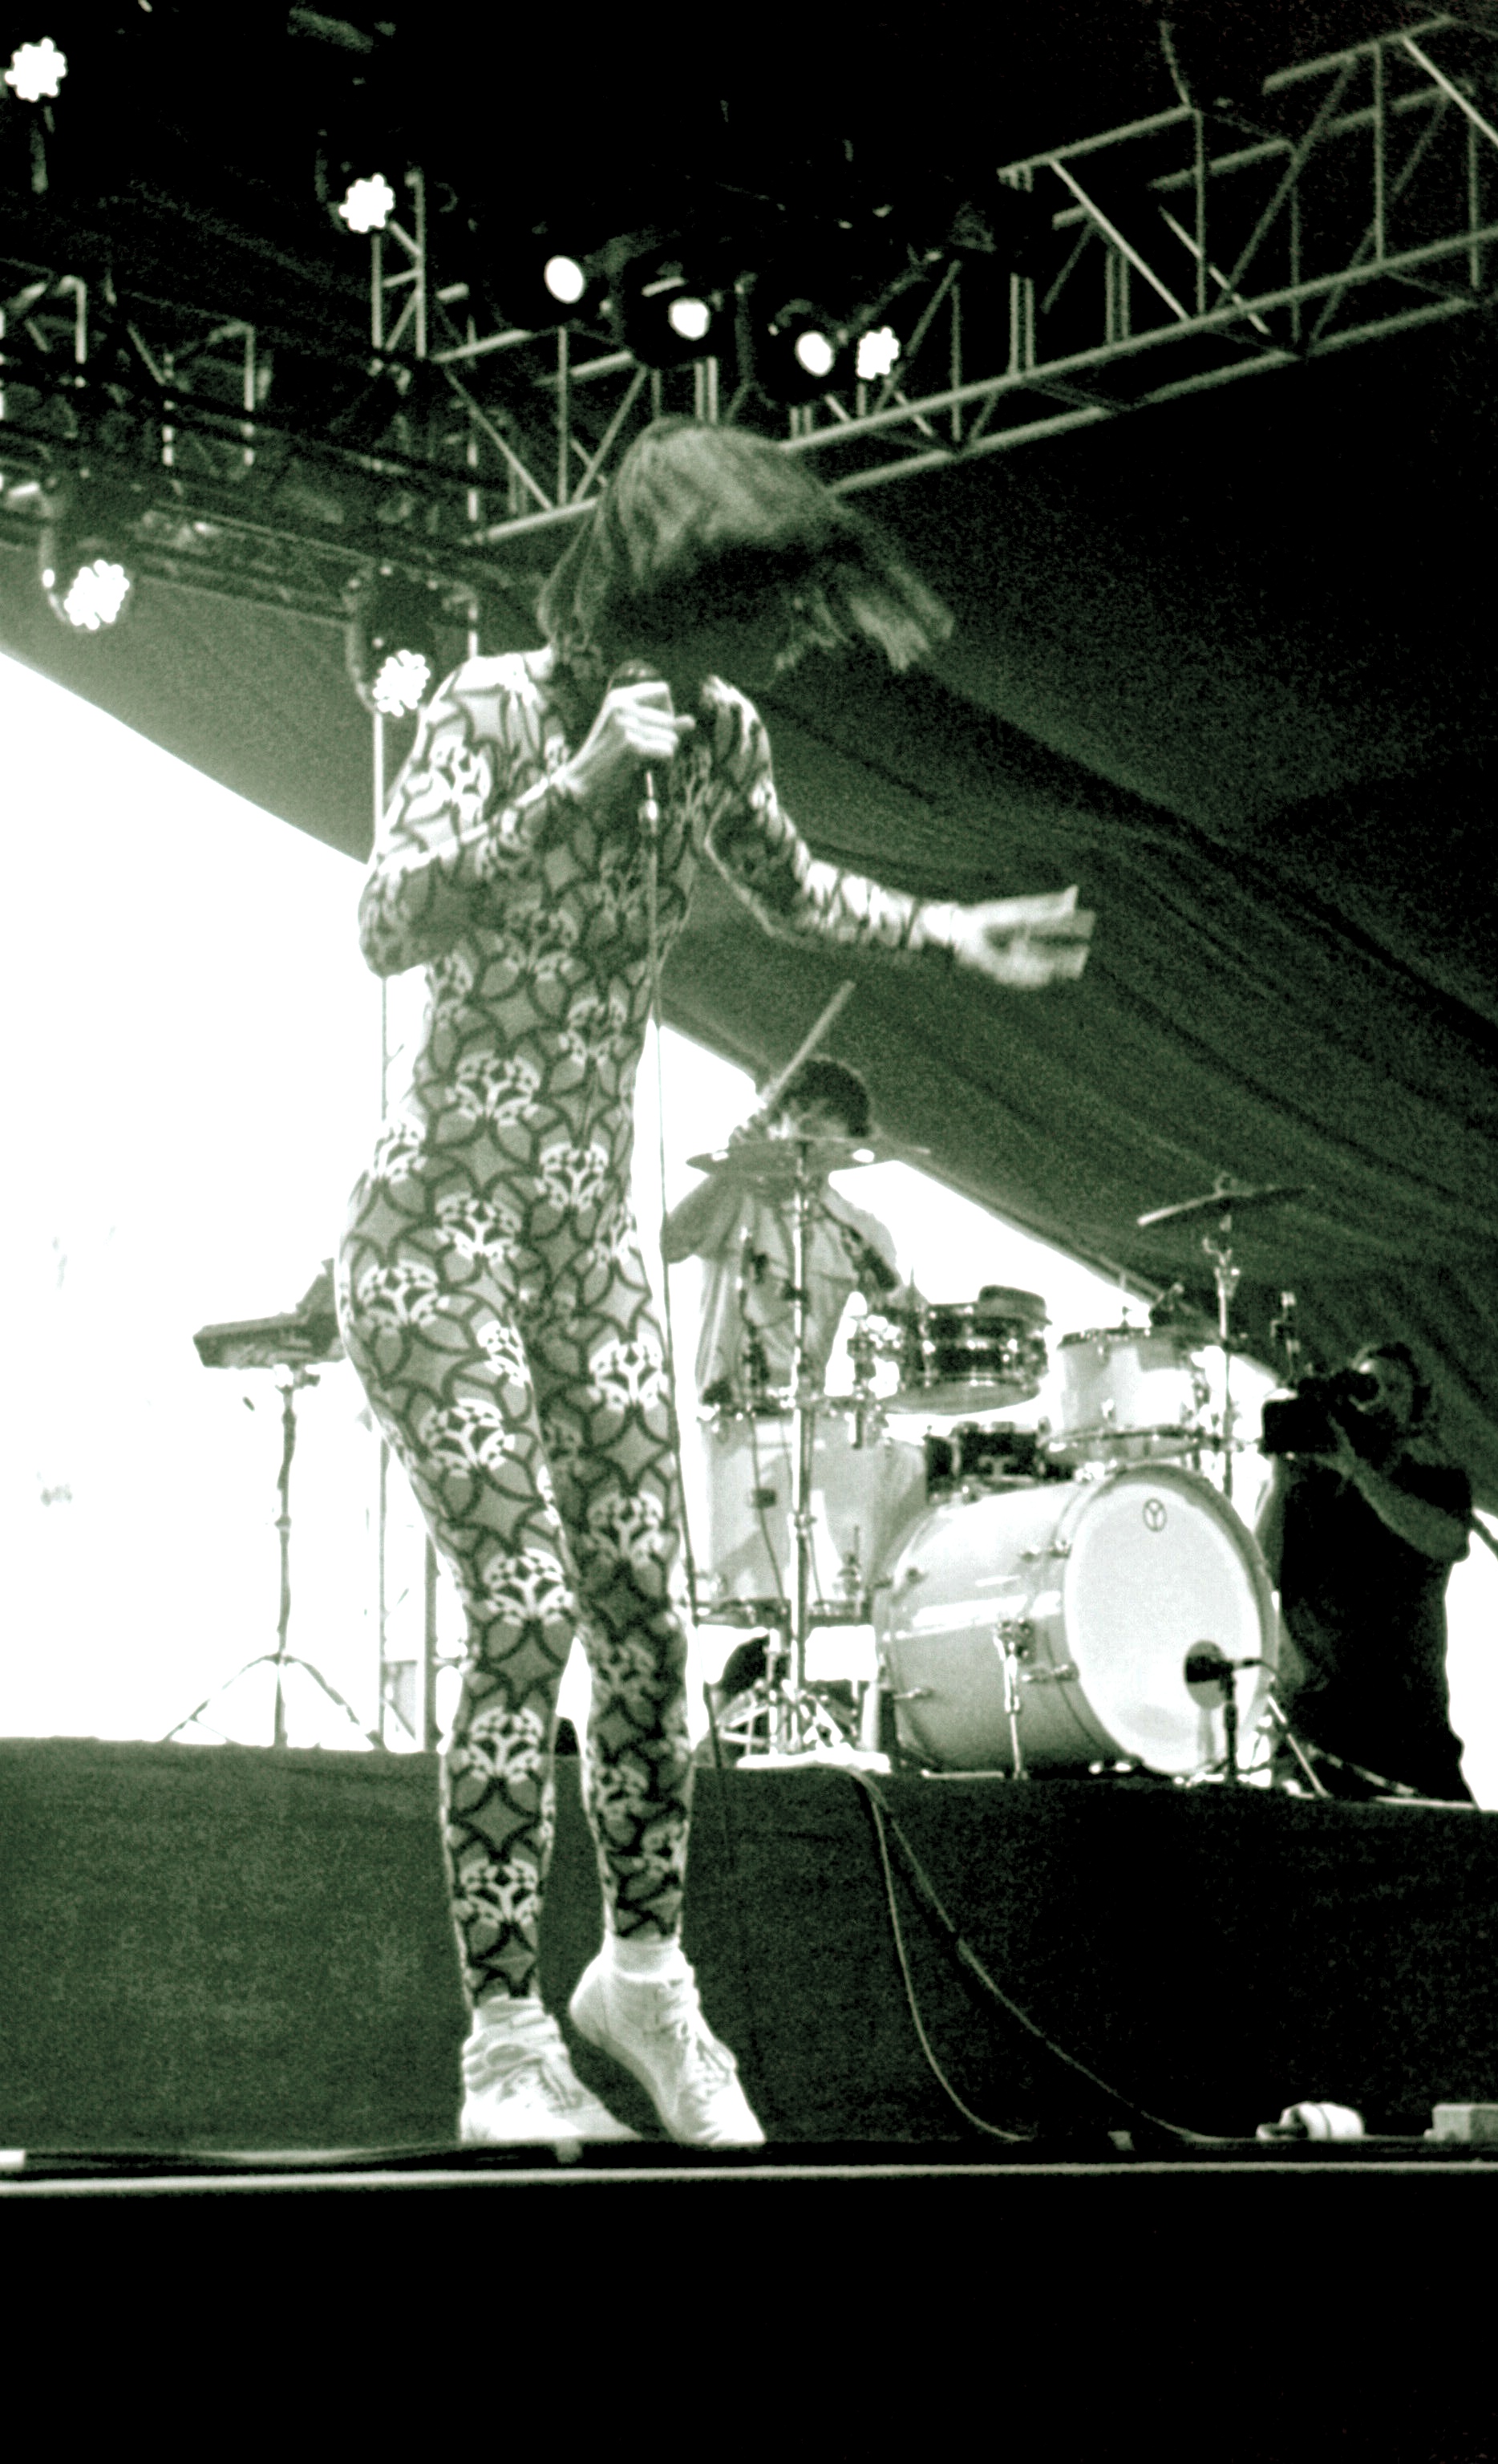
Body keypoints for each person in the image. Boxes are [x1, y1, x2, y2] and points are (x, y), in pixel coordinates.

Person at [335, 415, 1093, 2152]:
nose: (784, 646)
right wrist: (574, 788)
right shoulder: (495, 710)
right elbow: (385, 920)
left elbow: (791, 886)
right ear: (666, 593)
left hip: (581, 1243)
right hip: (437, 1226)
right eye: (759, 610)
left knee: (648, 1624)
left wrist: (948, 929)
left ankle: (645, 1982)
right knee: (523, 1606)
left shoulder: (724, 736)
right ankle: (503, 2039)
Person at [1255, 1343, 1475, 1803]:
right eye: (1368, 1387)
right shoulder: (1304, 1488)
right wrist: (1279, 1482)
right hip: (1316, 1732)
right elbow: (1259, 1577)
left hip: (1410, 1729)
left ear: (1416, 1406)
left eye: (1395, 1389)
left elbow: (1447, 1541)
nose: (1380, 1400)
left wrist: (1356, 1470)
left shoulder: (1438, 1483)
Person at [661, 1055, 914, 1411]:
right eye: (798, 1107)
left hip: (808, 1418)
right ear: (774, 1122)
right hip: (727, 1418)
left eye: (830, 1113)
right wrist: (733, 1166)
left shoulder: (862, 1231)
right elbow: (671, 1245)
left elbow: (902, 1319)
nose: (809, 1121)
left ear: (852, 1136)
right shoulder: (735, 1195)